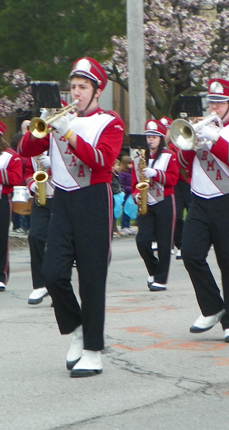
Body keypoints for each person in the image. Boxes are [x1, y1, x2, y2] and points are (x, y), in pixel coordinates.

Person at [17, 57, 124, 378]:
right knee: (52, 274)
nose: (75, 93)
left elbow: (102, 161)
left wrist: (70, 135)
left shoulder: (110, 121)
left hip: (93, 199)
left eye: (83, 87)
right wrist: (43, 125)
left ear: (97, 91)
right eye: (73, 87)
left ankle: (92, 350)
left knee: (92, 278)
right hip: (62, 199)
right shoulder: (58, 118)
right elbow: (25, 148)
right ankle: (77, 328)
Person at [178, 78, 229, 343]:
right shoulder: (203, 125)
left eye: (220, 103)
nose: (213, 108)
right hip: (200, 198)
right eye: (211, 102)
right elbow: (183, 163)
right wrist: (191, 140)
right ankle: (213, 307)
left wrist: (215, 138)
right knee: (190, 254)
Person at [132, 119, 178, 291]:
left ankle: (161, 279)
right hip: (146, 202)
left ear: (160, 138)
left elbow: (173, 179)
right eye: (148, 137)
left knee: (165, 242)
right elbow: (134, 185)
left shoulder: (169, 156)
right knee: (142, 240)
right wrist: (136, 195)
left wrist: (156, 174)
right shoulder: (138, 159)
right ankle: (153, 269)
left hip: (164, 201)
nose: (150, 140)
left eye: (154, 136)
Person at [25, 146, 54, 305]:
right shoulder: (34, 150)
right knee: (35, 236)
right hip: (41, 198)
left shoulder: (61, 144)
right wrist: (32, 184)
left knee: (58, 243)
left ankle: (57, 287)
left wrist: (54, 164)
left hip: (61, 197)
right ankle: (40, 285)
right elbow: (28, 171)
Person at [0, 121, 23, 291]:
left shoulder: (10, 155)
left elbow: (15, 178)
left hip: (2, 200)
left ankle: (1, 276)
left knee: (1, 239)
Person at [165, 117, 192, 260]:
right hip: (177, 184)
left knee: (192, 214)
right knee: (177, 215)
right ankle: (180, 245)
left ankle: (189, 243)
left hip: (189, 182)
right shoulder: (169, 147)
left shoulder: (184, 144)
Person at [118, 155, 135, 235]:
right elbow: (122, 185)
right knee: (125, 210)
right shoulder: (123, 173)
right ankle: (124, 226)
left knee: (129, 209)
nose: (131, 165)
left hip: (130, 194)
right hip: (126, 195)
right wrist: (131, 188)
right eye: (129, 164)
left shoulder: (131, 173)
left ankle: (127, 226)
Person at [111, 159, 123, 236]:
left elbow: (119, 185)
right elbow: (111, 186)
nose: (118, 167)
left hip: (117, 195)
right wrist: (117, 191)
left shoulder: (117, 175)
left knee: (116, 212)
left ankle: (114, 228)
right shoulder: (111, 176)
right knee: (112, 212)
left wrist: (122, 191)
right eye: (117, 165)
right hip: (113, 195)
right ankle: (113, 228)